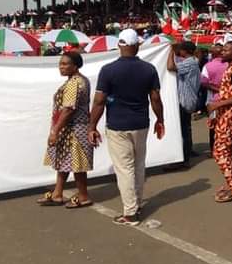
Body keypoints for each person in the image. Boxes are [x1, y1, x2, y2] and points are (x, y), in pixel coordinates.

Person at [89, 29, 165, 226]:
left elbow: (99, 101)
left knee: (125, 169)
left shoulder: (108, 70)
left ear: (120, 45)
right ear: (137, 45)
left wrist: (92, 126)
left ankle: (130, 213)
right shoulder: (149, 69)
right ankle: (136, 203)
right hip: (141, 123)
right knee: (139, 165)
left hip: (118, 124)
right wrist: (160, 120)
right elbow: (155, 98)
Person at [37, 51, 94, 208]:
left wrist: (55, 131)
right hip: (70, 128)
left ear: (75, 66)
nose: (61, 67)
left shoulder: (74, 83)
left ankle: (83, 196)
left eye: (65, 64)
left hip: (75, 128)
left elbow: (68, 109)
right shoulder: (79, 80)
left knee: (77, 164)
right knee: (64, 161)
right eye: (60, 64)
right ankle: (57, 193)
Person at [208, 41, 232, 203]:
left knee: (220, 151)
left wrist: (217, 104)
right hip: (231, 116)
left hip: (231, 117)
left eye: (226, 50)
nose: (222, 52)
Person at [167, 41, 200, 166]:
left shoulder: (190, 62)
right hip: (188, 99)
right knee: (186, 128)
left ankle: (183, 159)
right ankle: (188, 151)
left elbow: (170, 67)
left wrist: (170, 51)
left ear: (185, 51)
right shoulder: (193, 60)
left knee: (182, 130)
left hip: (185, 100)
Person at [201, 44, 227, 154]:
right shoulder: (230, 65)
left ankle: (213, 149)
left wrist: (216, 88)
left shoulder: (207, 66)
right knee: (226, 123)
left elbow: (203, 82)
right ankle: (225, 148)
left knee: (213, 125)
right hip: (228, 98)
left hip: (212, 99)